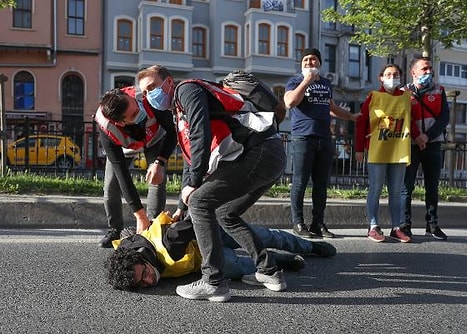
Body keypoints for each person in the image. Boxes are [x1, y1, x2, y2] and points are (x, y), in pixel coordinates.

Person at [136, 66, 288, 302]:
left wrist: (195, 184)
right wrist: (179, 208)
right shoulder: (178, 113)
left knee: (200, 202)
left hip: (260, 152)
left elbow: (200, 132)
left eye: (153, 87)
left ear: (168, 82)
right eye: (145, 93)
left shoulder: (185, 90)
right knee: (225, 214)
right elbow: (190, 160)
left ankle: (213, 282)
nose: (150, 96)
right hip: (268, 155)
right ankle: (269, 272)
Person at [105, 212, 337, 292]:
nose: (149, 280)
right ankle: (277, 262)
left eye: (144, 273)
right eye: (141, 282)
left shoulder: (171, 240)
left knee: (265, 237)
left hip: (212, 234)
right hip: (203, 258)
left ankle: (309, 246)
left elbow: (200, 217)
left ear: (143, 260)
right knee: (236, 267)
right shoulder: (128, 262)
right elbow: (126, 239)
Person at [95, 65, 177, 248]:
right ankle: (114, 229)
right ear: (121, 122)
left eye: (135, 104)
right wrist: (138, 214)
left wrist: (160, 161)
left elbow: (173, 132)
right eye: (133, 114)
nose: (139, 109)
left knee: (157, 180)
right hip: (125, 145)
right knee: (111, 186)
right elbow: (122, 173)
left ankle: (153, 227)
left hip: (154, 138)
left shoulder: (145, 98)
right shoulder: (107, 128)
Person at [284, 48, 358, 239]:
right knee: (300, 182)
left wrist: (352, 117)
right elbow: (290, 102)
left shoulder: (326, 83)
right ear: (301, 64)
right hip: (303, 137)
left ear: (320, 63)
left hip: (324, 138)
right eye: (306, 60)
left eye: (313, 59)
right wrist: (306, 81)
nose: (309, 62)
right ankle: (298, 222)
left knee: (321, 184)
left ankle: (318, 223)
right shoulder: (294, 81)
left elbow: (331, 107)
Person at [355, 64, 413, 243]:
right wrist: (358, 148)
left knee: (396, 191)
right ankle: (373, 226)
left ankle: (396, 228)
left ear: (401, 77)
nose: (392, 77)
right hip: (377, 149)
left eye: (395, 74)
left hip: (399, 149)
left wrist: (420, 138)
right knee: (376, 189)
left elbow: (412, 121)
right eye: (388, 74)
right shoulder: (373, 96)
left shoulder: (406, 97)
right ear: (381, 77)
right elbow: (361, 122)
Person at [400, 57, 450, 240]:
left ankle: (432, 225)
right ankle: (405, 224)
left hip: (434, 144)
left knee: (432, 186)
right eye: (424, 69)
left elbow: (444, 117)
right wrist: (417, 136)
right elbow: (404, 117)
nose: (429, 72)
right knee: (406, 187)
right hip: (410, 145)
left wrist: (427, 136)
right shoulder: (403, 92)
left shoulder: (439, 90)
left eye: (430, 69)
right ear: (413, 72)